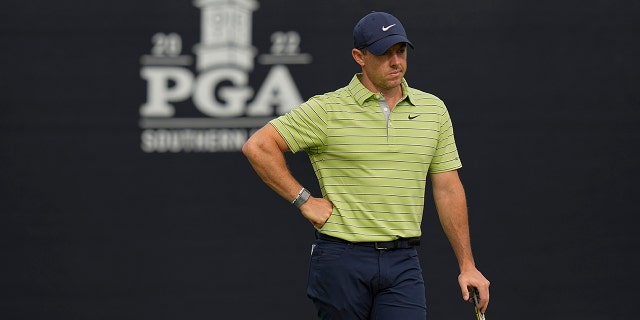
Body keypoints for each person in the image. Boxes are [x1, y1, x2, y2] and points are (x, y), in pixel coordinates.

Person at [242, 11, 490, 319]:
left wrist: (467, 265)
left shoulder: (433, 110)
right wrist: (304, 200)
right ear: (359, 56)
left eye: (400, 51)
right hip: (340, 258)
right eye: (384, 54)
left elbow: (448, 187)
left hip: (403, 262)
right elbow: (259, 146)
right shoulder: (328, 108)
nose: (396, 62)